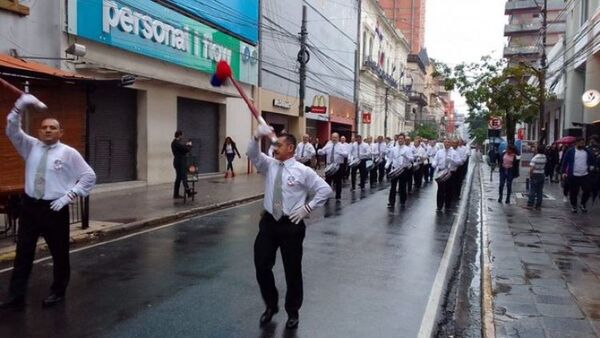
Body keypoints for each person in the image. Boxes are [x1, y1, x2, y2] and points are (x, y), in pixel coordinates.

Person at [1, 94, 96, 309]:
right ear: (39, 131)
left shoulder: (69, 153)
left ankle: (58, 291)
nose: (48, 130)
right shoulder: (30, 146)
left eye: (53, 127)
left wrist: (69, 196)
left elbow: (89, 176)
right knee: (23, 252)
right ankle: (16, 297)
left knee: (59, 252)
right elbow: (11, 130)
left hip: (55, 208)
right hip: (30, 206)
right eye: (44, 127)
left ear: (61, 132)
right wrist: (20, 105)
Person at [247, 125, 332, 329]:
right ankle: (271, 305)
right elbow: (251, 153)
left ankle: (292, 311)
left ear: (291, 148)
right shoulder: (269, 165)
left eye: (279, 145)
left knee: (292, 270)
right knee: (261, 266)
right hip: (268, 223)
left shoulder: (302, 171)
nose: (274, 148)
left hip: (291, 226)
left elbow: (325, 190)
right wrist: (257, 136)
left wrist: (307, 208)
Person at [561, 137, 594, 213]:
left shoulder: (587, 151)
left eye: (583, 143)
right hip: (573, 175)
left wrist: (592, 166)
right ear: (576, 143)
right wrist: (563, 172)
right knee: (574, 192)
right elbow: (565, 162)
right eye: (581, 143)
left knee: (587, 189)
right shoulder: (570, 151)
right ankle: (574, 206)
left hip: (585, 175)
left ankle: (583, 203)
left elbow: (592, 160)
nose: (582, 144)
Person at [432, 139, 461, 211]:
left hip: (450, 172)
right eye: (445, 142)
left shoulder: (454, 152)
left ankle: (447, 205)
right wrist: (434, 164)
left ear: (450, 143)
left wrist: (452, 161)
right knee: (440, 189)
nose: (447, 143)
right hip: (441, 172)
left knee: (449, 189)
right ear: (443, 143)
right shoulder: (439, 152)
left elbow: (459, 162)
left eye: (448, 142)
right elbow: (435, 160)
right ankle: (439, 206)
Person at [387, 133, 414, 209]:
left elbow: (412, 159)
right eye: (399, 139)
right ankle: (391, 202)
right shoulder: (394, 149)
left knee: (402, 186)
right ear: (397, 139)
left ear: (404, 140)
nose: (400, 140)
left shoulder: (407, 149)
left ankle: (402, 201)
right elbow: (390, 158)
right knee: (393, 187)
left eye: (402, 139)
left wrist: (406, 156)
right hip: (395, 168)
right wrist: (387, 164)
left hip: (403, 169)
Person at [318, 132, 348, 200]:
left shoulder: (342, 146)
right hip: (329, 165)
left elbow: (346, 154)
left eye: (335, 137)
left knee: (338, 181)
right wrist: (320, 151)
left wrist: (340, 153)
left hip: (337, 166)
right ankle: (327, 195)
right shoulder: (328, 145)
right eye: (333, 137)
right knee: (328, 181)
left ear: (338, 138)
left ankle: (338, 196)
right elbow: (323, 151)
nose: (334, 139)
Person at [171, 130, 195, 198]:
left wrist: (186, 146)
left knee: (179, 178)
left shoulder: (175, 143)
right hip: (179, 162)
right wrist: (189, 145)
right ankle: (188, 192)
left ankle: (176, 194)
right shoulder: (176, 143)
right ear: (180, 135)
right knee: (183, 176)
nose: (182, 137)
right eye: (182, 135)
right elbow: (186, 149)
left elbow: (183, 151)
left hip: (178, 161)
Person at [528, 145, 547, 210]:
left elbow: (531, 168)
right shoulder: (544, 157)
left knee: (533, 190)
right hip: (541, 174)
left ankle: (530, 203)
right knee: (540, 191)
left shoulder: (535, 158)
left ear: (537, 150)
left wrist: (530, 175)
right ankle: (538, 205)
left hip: (535, 174)